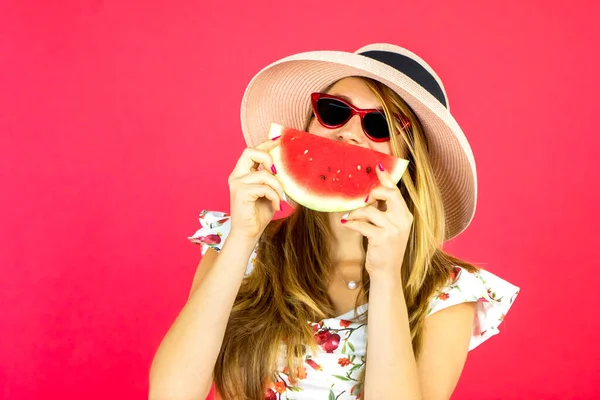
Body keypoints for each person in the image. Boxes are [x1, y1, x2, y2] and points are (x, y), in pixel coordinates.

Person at [149, 43, 520, 400]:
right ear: (309, 124)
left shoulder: (446, 292)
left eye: (380, 125)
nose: (349, 133)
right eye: (333, 110)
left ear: (410, 160)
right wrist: (243, 239)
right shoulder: (238, 246)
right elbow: (169, 394)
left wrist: (387, 276)